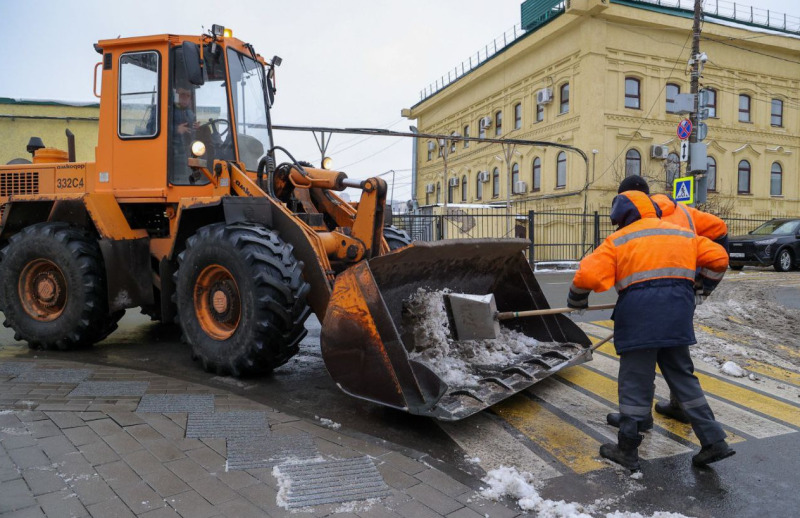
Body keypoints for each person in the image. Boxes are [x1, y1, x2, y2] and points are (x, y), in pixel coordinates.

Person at [567, 189, 734, 470]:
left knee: (635, 380)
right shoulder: (681, 233)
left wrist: (577, 300)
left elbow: (587, 275)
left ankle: (627, 448)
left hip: (639, 318)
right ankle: (713, 440)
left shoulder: (619, 240)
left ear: (622, 217)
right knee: (683, 377)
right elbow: (719, 257)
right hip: (677, 315)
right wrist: (701, 288)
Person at [607, 178, 730, 427]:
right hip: (683, 292)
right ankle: (680, 406)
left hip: (646, 296)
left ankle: (637, 418)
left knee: (641, 358)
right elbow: (720, 230)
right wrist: (703, 284)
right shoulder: (683, 210)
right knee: (675, 355)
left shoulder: (636, 217)